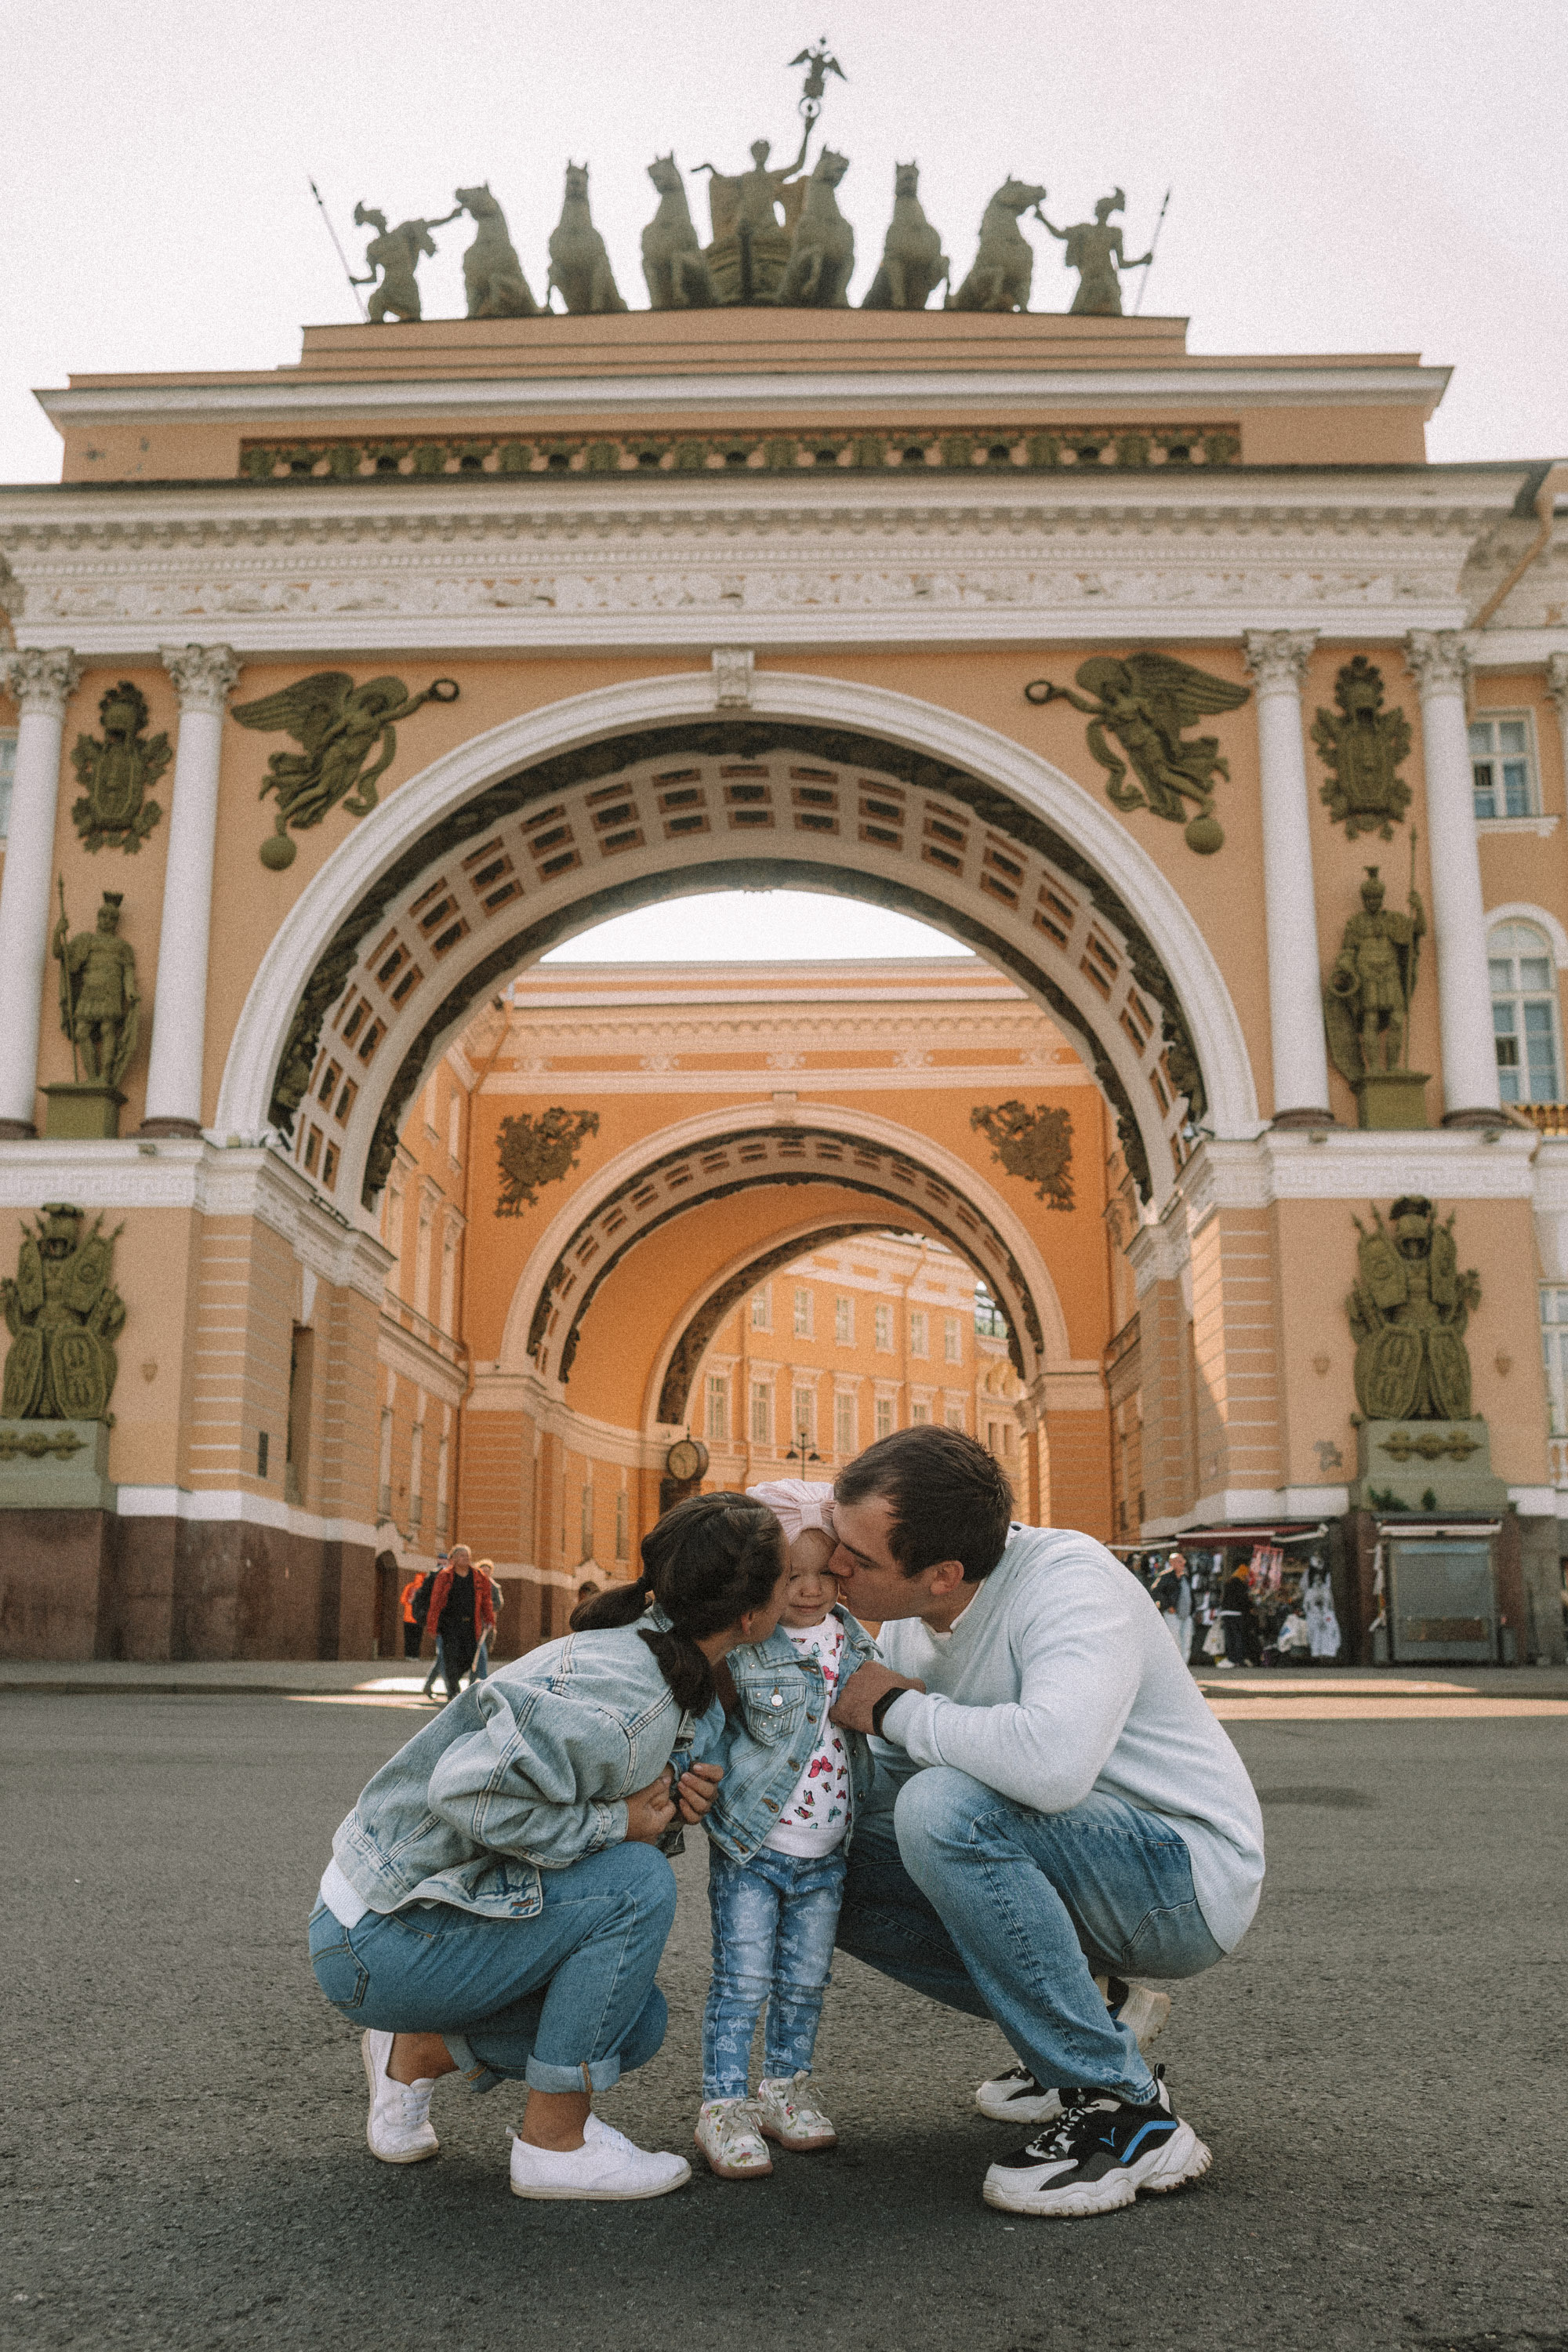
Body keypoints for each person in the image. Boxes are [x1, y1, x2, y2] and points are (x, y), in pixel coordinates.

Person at [821, 1426, 1265, 2221]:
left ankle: (1122, 2112)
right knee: (813, 1861)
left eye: (856, 1555)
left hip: (1183, 1877)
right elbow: (881, 1776)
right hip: (1077, 1863)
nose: (832, 1564)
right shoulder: (900, 1615)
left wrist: (893, 1706)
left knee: (944, 1810)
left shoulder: (1069, 1582)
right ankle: (1089, 2017)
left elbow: (1052, 1765)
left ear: (941, 1574)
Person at [308, 1490, 789, 2202]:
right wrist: (619, 1824)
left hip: (414, 1913)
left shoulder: (655, 1655)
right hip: (377, 1940)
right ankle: (555, 2146)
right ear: (750, 1616)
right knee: (637, 1885)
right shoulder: (631, 1700)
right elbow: (468, 1793)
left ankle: (413, 2053)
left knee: (634, 2024)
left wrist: (668, 1803)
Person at [691, 1480, 880, 2181]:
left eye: (821, 1574)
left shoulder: (854, 1640)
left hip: (827, 1853)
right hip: (753, 1846)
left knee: (805, 1984)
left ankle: (784, 2090)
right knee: (742, 1982)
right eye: (788, 1576)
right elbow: (707, 1726)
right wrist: (685, 1780)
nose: (805, 1590)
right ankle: (723, 2105)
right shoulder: (748, 1649)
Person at [423, 1546, 495, 1701]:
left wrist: (489, 1619)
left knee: (469, 1658)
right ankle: (453, 1691)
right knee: (450, 1657)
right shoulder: (445, 1576)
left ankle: (454, 1683)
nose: (466, 1558)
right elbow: (435, 1601)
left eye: (467, 1556)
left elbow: (486, 1601)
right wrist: (432, 1625)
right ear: (453, 1559)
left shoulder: (478, 1576)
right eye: (461, 1556)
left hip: (470, 1624)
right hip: (449, 1624)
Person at [1150, 1549, 1193, 1663]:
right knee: (1176, 1641)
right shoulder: (1165, 1577)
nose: (1182, 1563)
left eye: (1183, 1561)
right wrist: (1168, 1606)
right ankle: (1177, 1669)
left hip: (1186, 1614)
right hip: (1173, 1614)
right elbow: (1155, 1592)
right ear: (1172, 1563)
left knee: (1187, 1641)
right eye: (1179, 1561)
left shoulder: (1185, 1577)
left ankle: (1185, 1669)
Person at [419, 1555, 448, 1700]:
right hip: (438, 1622)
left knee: (442, 1657)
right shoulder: (434, 1576)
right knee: (443, 1656)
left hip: (447, 1622)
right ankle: (451, 1689)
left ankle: (428, 1686)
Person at [1218, 1559, 1254, 1669]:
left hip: (1226, 1612)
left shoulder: (1229, 1582)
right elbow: (1242, 1600)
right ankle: (1238, 1659)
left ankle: (1231, 1658)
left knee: (1229, 1637)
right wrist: (1250, 1607)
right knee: (1238, 1637)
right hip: (1236, 1613)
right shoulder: (1241, 1584)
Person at [397, 1570, 426, 1661]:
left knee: (409, 1637)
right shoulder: (423, 1589)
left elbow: (402, 1600)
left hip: (409, 1617)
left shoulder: (410, 1587)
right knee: (417, 1638)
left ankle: (409, 1655)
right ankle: (414, 1656)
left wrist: (409, 1602)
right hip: (418, 1618)